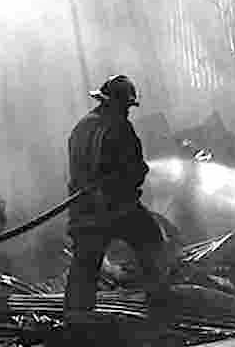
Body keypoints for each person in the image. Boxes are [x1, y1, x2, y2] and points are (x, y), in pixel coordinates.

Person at [64, 74, 171, 325]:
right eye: (126, 106)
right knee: (151, 241)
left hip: (83, 208)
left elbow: (78, 169)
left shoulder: (81, 127)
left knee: (85, 263)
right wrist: (138, 175)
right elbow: (133, 169)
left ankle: (75, 318)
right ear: (118, 104)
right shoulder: (120, 127)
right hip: (117, 208)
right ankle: (160, 308)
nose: (127, 111)